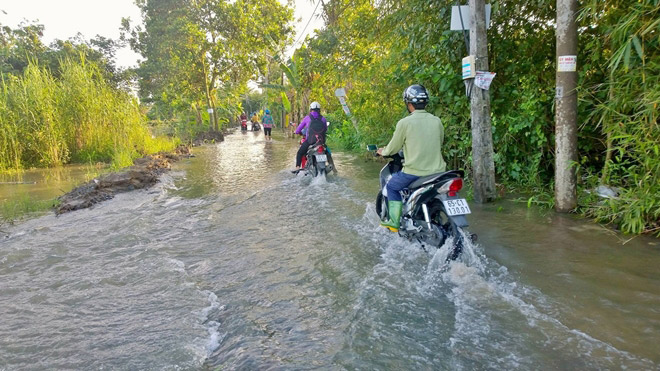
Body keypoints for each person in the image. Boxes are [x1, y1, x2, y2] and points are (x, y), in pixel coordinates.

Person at [377, 84, 446, 232]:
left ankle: (394, 222)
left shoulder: (405, 123)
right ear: (425, 102)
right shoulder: (437, 121)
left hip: (415, 172)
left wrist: (383, 151)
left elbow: (393, 148)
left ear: (409, 104)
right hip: (439, 172)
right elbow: (439, 143)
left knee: (392, 186)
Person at [293, 102, 327, 172]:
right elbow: (325, 129)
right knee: (328, 152)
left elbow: (299, 128)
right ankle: (333, 167)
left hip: (310, 141)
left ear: (311, 109)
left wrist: (296, 132)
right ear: (319, 110)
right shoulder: (323, 119)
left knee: (299, 153)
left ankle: (297, 168)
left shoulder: (307, 118)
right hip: (320, 142)